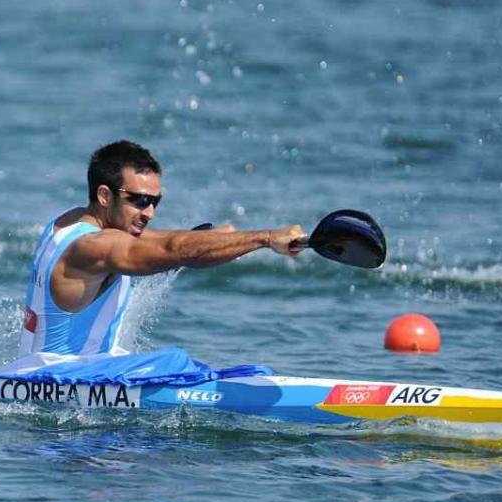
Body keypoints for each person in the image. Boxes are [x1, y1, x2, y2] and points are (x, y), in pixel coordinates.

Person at [16, 139, 306, 359]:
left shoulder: (68, 222)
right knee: (176, 363)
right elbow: (175, 250)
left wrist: (217, 239)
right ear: (104, 196)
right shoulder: (94, 247)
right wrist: (266, 238)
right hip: (67, 390)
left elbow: (155, 241)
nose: (150, 212)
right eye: (140, 201)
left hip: (37, 374)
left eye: (155, 201)